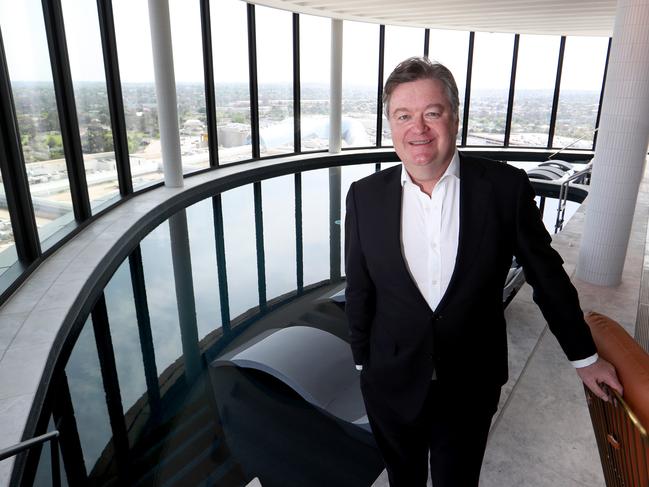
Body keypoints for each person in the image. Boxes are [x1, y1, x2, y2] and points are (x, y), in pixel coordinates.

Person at [344, 57, 622, 487]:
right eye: (404, 116)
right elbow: (360, 288)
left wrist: (583, 358)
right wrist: (363, 361)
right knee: (404, 479)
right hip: (390, 381)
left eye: (431, 113)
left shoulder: (504, 188)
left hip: (470, 384)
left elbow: (546, 276)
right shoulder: (364, 196)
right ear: (391, 124)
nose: (418, 128)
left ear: (455, 118)